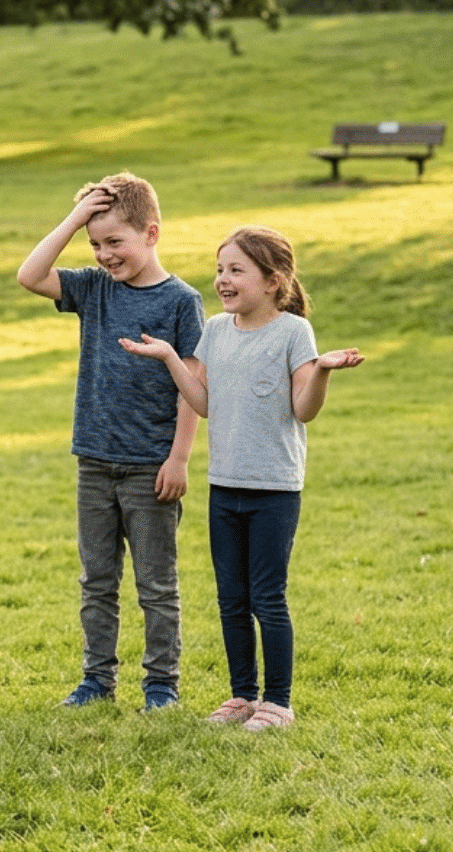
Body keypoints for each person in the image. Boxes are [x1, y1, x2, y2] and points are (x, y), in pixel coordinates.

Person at [120, 226, 362, 731]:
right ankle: (241, 696)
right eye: (219, 269)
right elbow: (203, 403)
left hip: (274, 488)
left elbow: (303, 409)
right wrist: (169, 356)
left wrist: (322, 370)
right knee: (231, 596)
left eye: (236, 271)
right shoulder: (215, 330)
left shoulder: (293, 333)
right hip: (224, 486)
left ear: (273, 281)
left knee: (266, 596)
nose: (223, 280)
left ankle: (278, 702)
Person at [16, 172, 202, 711]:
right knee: (97, 581)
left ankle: (161, 685)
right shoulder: (94, 289)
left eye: (114, 241)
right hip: (94, 462)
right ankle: (97, 680)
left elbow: (192, 387)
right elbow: (30, 275)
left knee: (156, 586)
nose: (103, 255)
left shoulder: (181, 301)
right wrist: (75, 219)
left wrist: (179, 458)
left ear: (152, 233)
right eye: (94, 245)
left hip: (151, 467)